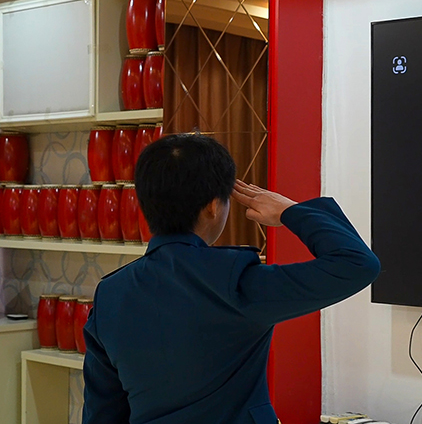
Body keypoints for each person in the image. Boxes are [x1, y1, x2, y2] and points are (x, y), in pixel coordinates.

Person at [81, 134, 380, 424]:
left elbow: (102, 412)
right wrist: (290, 211)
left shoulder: (111, 293)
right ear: (213, 206)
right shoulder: (234, 282)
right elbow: (357, 264)